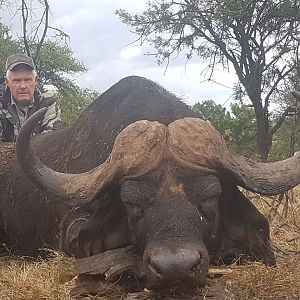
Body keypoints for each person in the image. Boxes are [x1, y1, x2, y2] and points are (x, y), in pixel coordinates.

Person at [0, 53, 61, 142]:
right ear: (7, 82)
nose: (23, 86)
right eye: (16, 81)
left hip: (40, 155)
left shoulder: (49, 100)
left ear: (35, 80)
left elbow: (51, 142)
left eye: (27, 80)